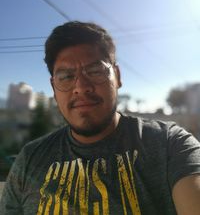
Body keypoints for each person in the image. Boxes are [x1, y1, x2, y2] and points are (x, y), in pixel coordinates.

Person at [1, 21, 200, 215]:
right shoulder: (29, 159)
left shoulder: (170, 144)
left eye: (95, 71)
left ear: (118, 76)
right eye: (66, 77)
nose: (80, 87)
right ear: (54, 88)